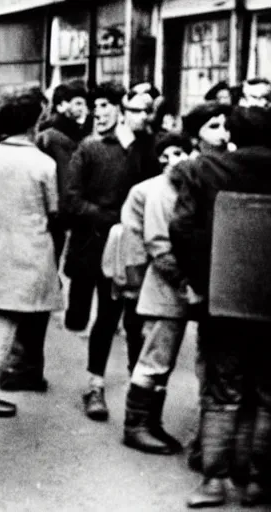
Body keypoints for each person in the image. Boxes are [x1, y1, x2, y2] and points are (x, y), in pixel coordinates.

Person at [170, 106, 271, 508]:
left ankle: (213, 481)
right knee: (267, 393)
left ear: (233, 133)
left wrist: (202, 281)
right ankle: (260, 482)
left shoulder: (204, 169)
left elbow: (181, 228)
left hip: (222, 301)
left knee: (221, 392)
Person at [63, 82, 160, 421]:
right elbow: (71, 200)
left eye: (146, 111)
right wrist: (112, 218)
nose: (99, 113)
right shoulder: (90, 148)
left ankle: (139, 388)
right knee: (106, 317)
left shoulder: (149, 149)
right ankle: (95, 385)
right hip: (101, 246)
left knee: (136, 319)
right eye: (134, 110)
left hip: (138, 248)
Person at [0, 86, 63, 418]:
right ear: (33, 124)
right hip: (25, 257)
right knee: (3, 333)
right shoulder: (44, 165)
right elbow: (53, 210)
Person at [0, 80, 90, 394]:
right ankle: (24, 367)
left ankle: (22, 366)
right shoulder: (55, 140)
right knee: (34, 301)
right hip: (43, 228)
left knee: (28, 299)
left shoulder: (52, 138)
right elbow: (61, 192)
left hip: (29, 227)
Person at [120, 131, 193, 455]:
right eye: (173, 153)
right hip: (164, 290)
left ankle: (151, 423)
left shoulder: (177, 187)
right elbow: (155, 245)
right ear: (163, 157)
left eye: (184, 152)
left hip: (169, 289)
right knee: (154, 361)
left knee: (161, 361)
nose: (180, 159)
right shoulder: (159, 191)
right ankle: (136, 426)